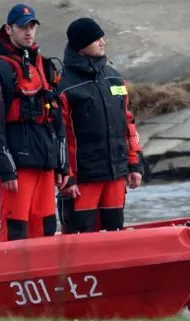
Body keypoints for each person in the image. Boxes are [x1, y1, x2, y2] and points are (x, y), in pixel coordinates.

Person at [0, 3, 68, 241]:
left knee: (46, 226)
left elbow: (56, 115)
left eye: (32, 26)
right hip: (17, 165)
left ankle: (46, 277)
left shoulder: (43, 65)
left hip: (44, 161)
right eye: (22, 27)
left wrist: (62, 163)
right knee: (16, 229)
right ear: (9, 29)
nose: (29, 32)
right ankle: (13, 275)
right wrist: (5, 169)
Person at [57, 17, 144, 234]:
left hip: (115, 174)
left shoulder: (115, 79)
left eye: (102, 37)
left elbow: (128, 124)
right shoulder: (64, 86)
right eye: (96, 39)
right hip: (83, 178)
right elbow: (60, 135)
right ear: (80, 45)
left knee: (114, 232)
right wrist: (68, 177)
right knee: (82, 235)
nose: (102, 42)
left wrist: (134, 165)